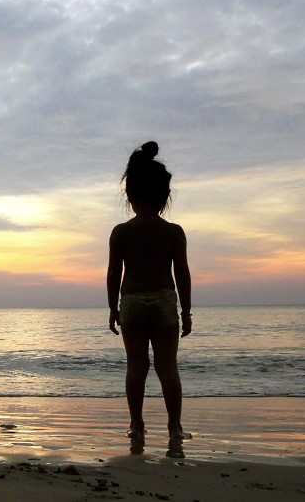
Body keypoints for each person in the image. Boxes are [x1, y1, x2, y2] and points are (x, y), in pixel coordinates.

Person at [106, 141, 192, 450]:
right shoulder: (173, 232)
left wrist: (112, 308)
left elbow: (114, 273)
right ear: (165, 196)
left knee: (136, 366)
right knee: (167, 367)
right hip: (164, 301)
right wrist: (187, 310)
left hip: (131, 302)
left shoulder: (121, 232)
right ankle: (174, 428)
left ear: (129, 195)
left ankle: (137, 426)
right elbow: (182, 273)